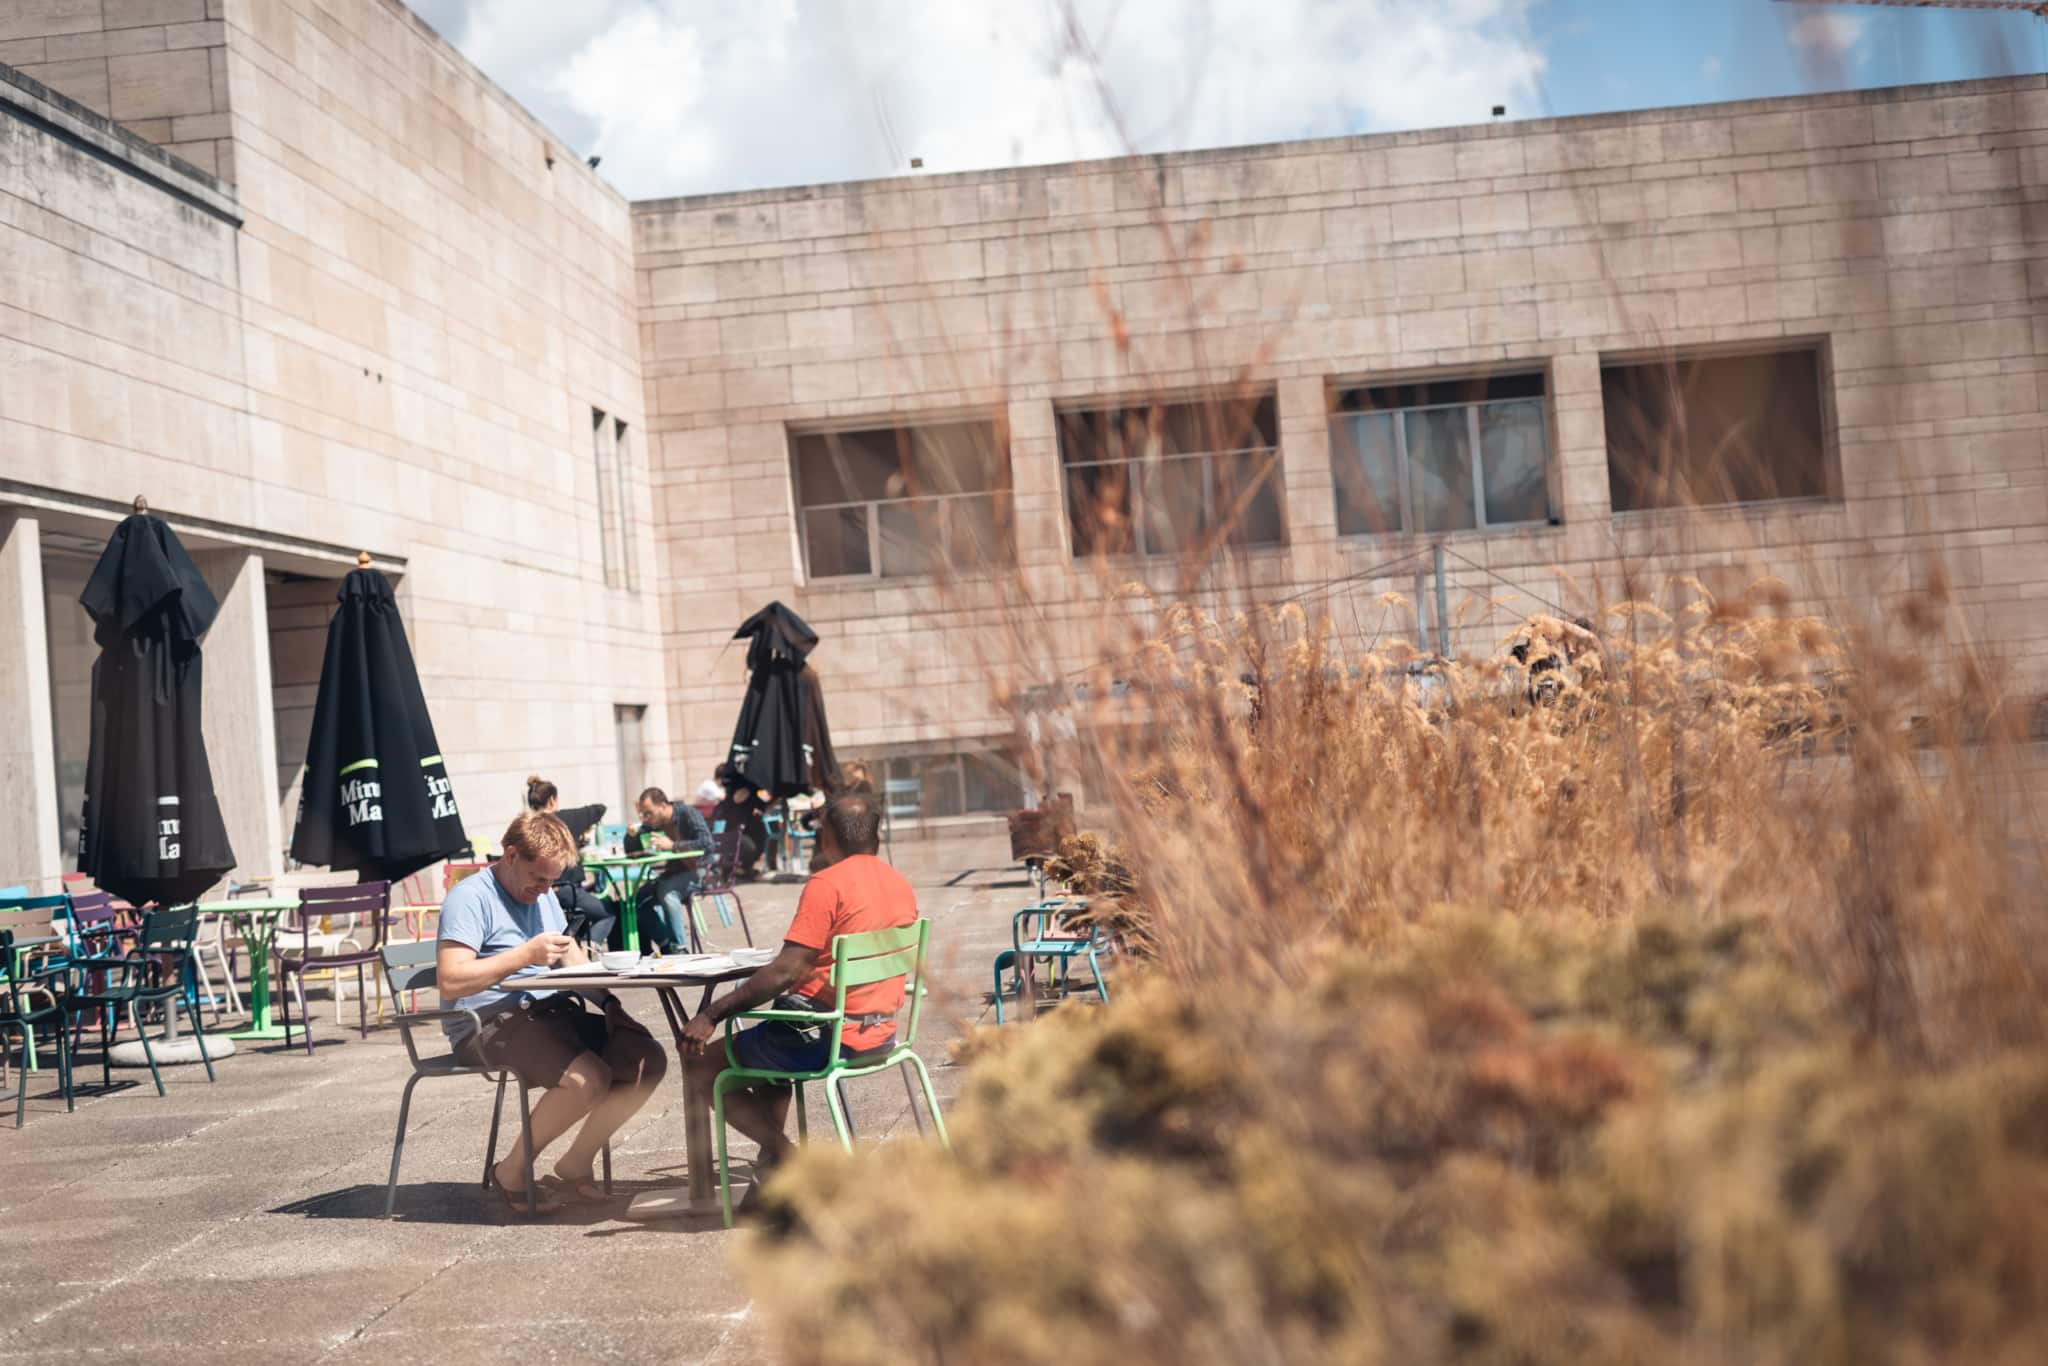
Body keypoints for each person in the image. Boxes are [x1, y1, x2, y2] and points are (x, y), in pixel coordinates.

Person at [681, 792, 914, 1211]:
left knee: (701, 1066)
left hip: (829, 1037)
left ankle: (790, 1160)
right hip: (882, 1031)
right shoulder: (899, 883)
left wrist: (712, 1013)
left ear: (826, 837)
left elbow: (786, 971)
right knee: (771, 1045)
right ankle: (772, 1173)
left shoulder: (828, 884)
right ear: (877, 837)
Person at [436, 811, 666, 1214]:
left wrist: (610, 1004)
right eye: (538, 878)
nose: (544, 890)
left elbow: (571, 962)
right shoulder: (470, 898)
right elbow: (451, 980)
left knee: (646, 1059)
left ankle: (575, 1163)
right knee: (588, 1080)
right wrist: (525, 955)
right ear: (511, 855)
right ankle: (509, 1172)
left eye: (552, 882)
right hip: (486, 1024)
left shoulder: (543, 897)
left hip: (546, 1013)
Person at [525, 776, 613, 948]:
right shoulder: (565, 819)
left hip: (536, 893)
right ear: (552, 800)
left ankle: (579, 945)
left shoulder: (527, 826)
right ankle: (588, 949)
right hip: (565, 890)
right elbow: (600, 809)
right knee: (609, 912)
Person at [634, 786, 714, 952]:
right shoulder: (655, 823)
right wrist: (631, 835)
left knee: (668, 891)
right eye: (643, 814)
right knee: (636, 900)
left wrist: (673, 846)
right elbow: (633, 846)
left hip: (701, 871)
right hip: (674, 873)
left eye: (649, 813)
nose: (647, 818)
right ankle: (666, 945)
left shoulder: (688, 813)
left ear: (663, 806)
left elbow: (707, 843)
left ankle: (679, 948)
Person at [710, 763, 773, 880]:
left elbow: (763, 804)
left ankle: (744, 868)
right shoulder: (733, 794)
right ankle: (732, 867)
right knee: (749, 847)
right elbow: (738, 798)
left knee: (760, 837)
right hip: (731, 833)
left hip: (746, 831)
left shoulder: (751, 792)